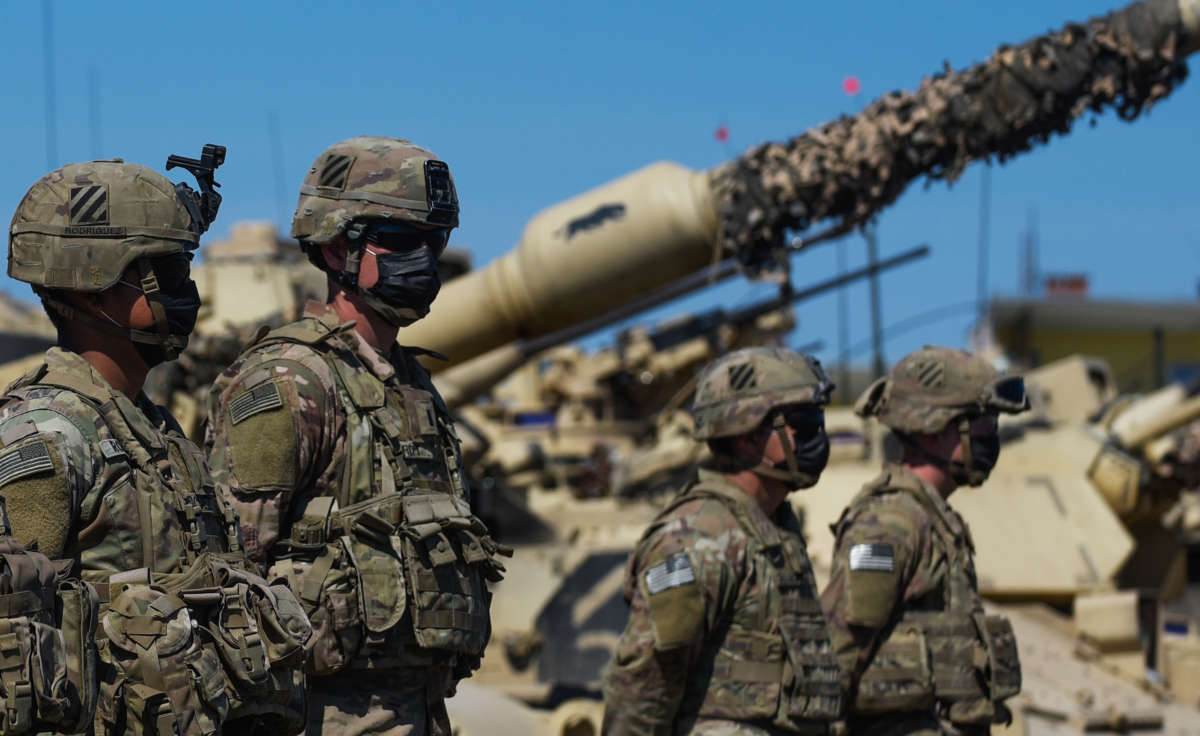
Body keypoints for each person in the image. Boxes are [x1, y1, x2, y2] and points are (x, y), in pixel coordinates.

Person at [206, 136, 507, 736]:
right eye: (399, 241)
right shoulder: (290, 381)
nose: (422, 259)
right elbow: (232, 577)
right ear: (337, 246)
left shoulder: (412, 385)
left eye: (434, 241)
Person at [0, 157, 310, 736]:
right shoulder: (47, 438)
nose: (185, 291)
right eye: (163, 272)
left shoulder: (157, 432)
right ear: (94, 284)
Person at [602, 347, 843, 735]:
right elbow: (646, 683)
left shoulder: (775, 527)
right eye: (802, 421)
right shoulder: (696, 537)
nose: (816, 433)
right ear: (746, 437)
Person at [821, 346, 1027, 735]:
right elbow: (839, 652)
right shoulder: (890, 522)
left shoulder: (932, 517)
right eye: (980, 421)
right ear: (934, 425)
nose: (991, 434)